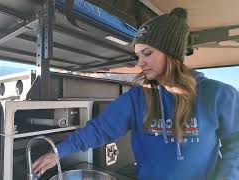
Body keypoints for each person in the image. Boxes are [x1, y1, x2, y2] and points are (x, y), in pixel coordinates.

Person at [32, 7, 239, 180]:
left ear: (171, 54)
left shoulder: (219, 95)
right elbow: (99, 129)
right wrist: (58, 152)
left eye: (147, 53)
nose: (140, 63)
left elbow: (236, 145)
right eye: (138, 55)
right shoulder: (137, 99)